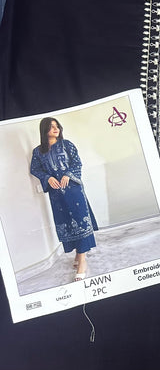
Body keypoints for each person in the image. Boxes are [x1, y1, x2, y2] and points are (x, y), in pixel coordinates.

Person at [30, 117, 98, 281]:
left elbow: (77, 163)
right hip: (57, 194)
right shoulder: (38, 152)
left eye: (57, 126)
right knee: (66, 223)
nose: (56, 129)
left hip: (73, 190)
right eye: (51, 126)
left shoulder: (67, 144)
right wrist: (47, 178)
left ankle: (82, 261)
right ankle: (78, 254)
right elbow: (34, 169)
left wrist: (68, 174)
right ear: (44, 130)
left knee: (80, 222)